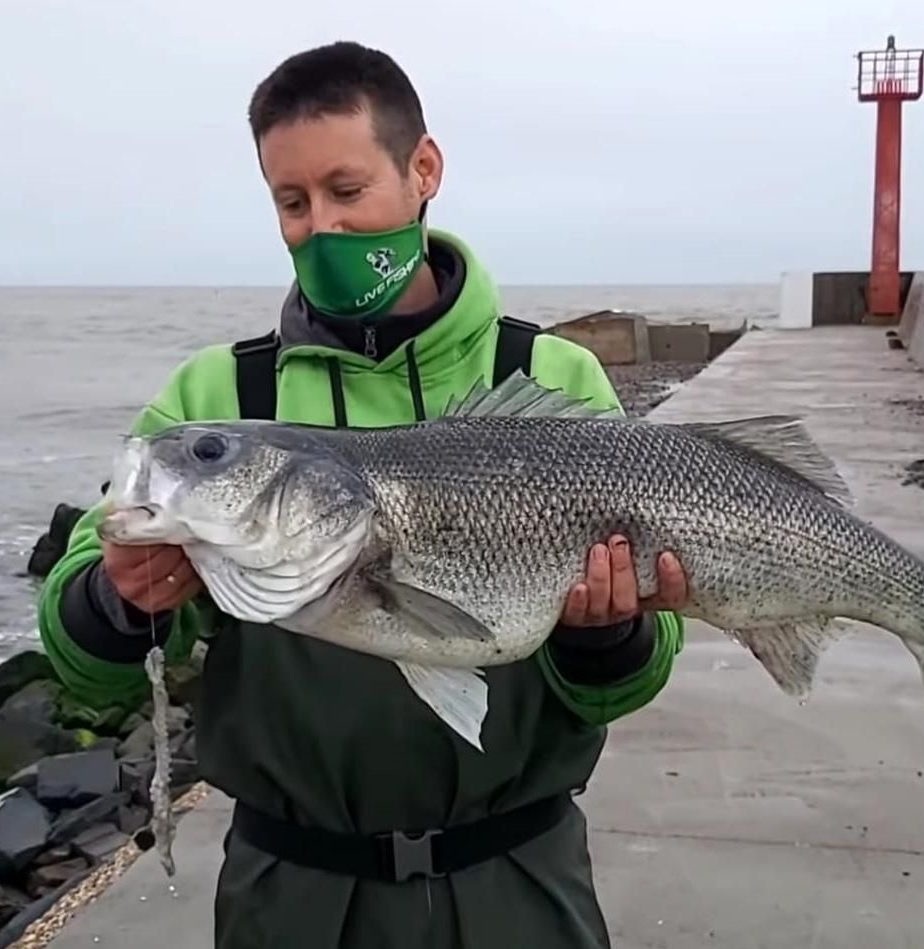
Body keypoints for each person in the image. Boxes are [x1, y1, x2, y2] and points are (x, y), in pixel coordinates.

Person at [36, 40, 688, 949]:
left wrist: (607, 633)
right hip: (290, 895)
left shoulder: (548, 375)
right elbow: (81, 654)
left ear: (423, 169)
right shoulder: (216, 403)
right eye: (291, 203)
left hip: (520, 882)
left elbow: (635, 675)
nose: (322, 228)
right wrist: (118, 598)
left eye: (347, 191)